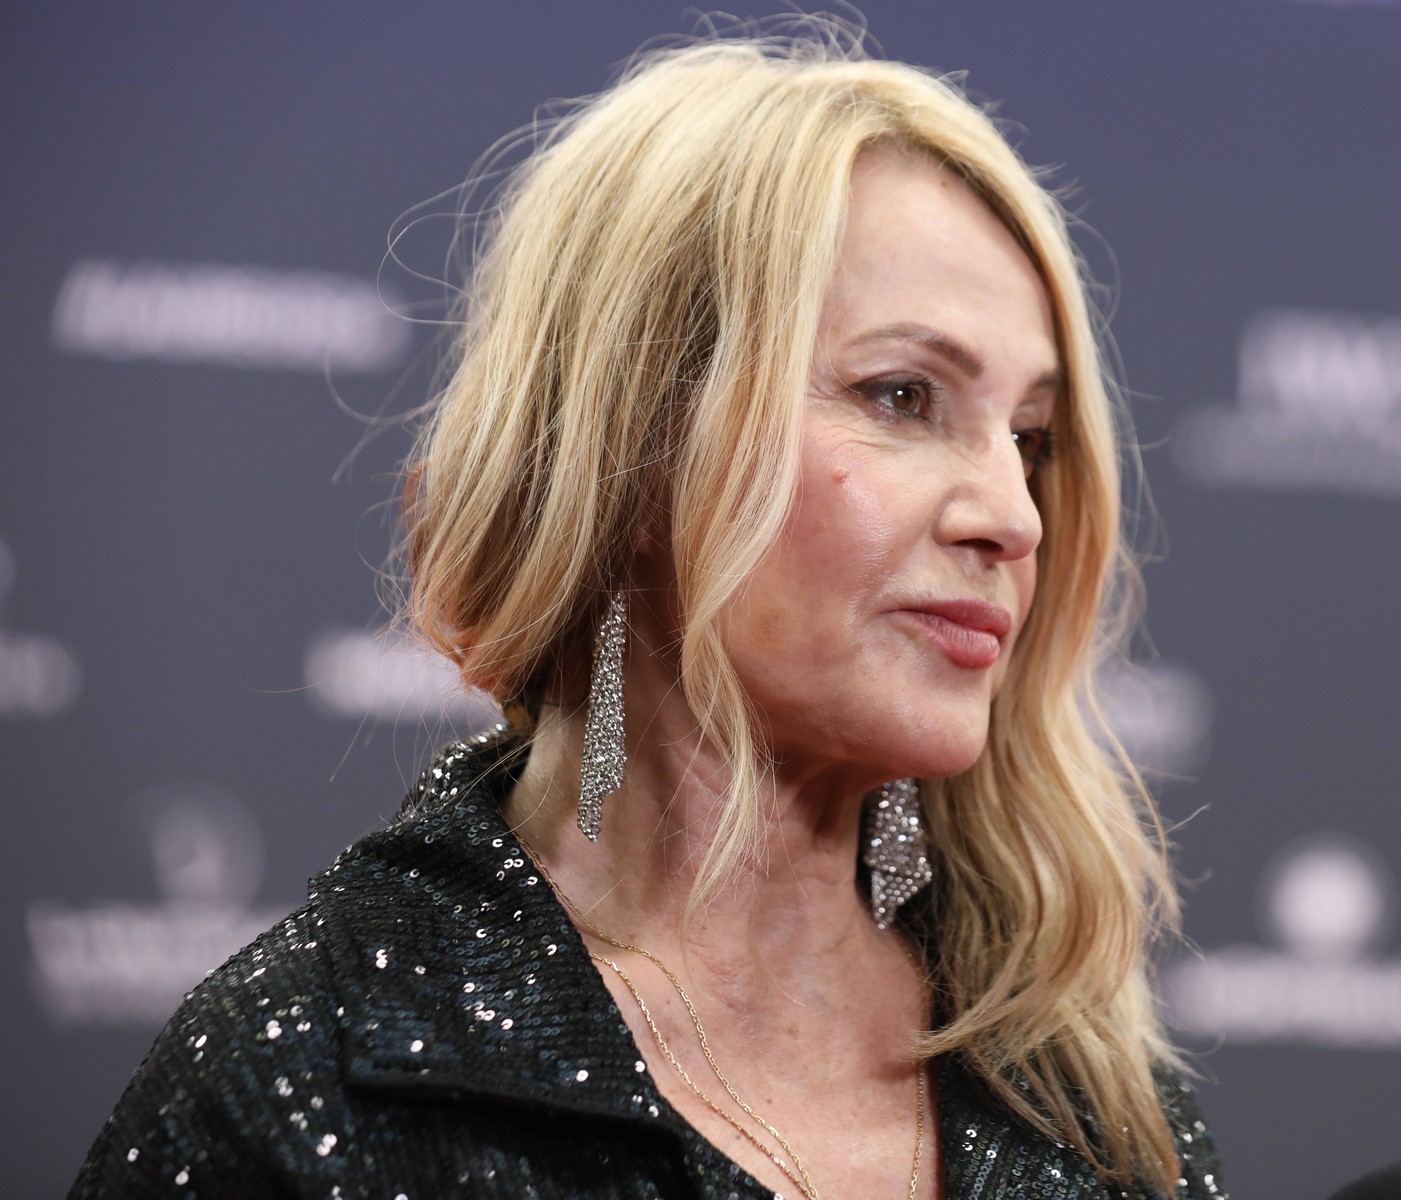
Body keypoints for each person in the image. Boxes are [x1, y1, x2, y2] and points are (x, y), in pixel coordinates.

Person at [73, 26, 1225, 1200]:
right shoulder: (302, 1083)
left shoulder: (1091, 1100)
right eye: (903, 396)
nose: (1012, 515)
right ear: (633, 453)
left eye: (1027, 438)